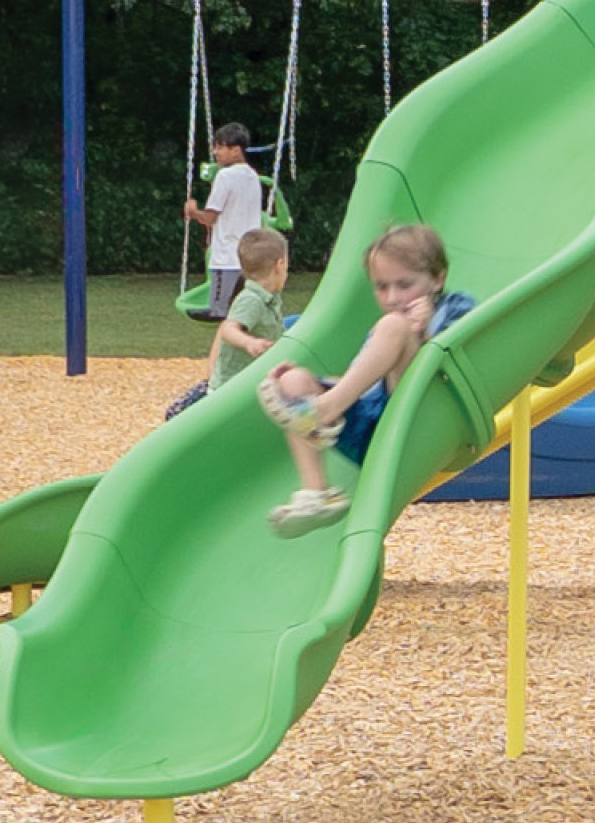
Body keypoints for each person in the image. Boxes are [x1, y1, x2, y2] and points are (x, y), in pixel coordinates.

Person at [257, 221, 474, 535]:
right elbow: (370, 387)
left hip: (417, 427)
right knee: (292, 381)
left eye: (404, 284)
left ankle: (322, 411)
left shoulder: (457, 309)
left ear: (438, 279)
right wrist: (312, 384)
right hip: (371, 429)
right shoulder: (392, 323)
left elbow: (461, 368)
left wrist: (425, 333)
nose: (392, 297)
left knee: (392, 327)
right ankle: (318, 493)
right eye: (381, 287)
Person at [165, 226, 292, 421]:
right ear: (279, 265)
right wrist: (249, 342)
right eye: (287, 267)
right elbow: (228, 328)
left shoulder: (270, 299)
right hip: (228, 388)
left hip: (245, 384)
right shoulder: (251, 299)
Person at [185, 121, 267, 322]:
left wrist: (193, 211)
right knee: (242, 312)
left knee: (222, 314)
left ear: (236, 150)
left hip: (227, 258)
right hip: (249, 256)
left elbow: (210, 218)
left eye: (221, 147)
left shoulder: (225, 176)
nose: (216, 152)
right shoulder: (253, 176)